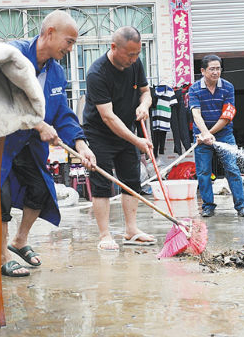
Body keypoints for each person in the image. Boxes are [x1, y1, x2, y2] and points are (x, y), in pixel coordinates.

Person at [0, 10, 96, 276]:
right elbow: (6, 98)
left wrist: (80, 143)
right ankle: (1, 255)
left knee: (41, 189)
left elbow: (62, 113)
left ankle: (19, 241)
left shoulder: (56, 73)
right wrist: (39, 124)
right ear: (50, 33)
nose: (71, 48)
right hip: (1, 142)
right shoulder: (14, 55)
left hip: (28, 145)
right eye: (69, 41)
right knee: (1, 195)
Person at [82, 26, 156, 251]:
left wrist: (144, 105)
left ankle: (131, 230)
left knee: (131, 181)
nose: (134, 59)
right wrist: (137, 141)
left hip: (126, 130)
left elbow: (145, 91)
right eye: (130, 54)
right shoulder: (97, 73)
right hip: (100, 133)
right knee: (102, 184)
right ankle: (105, 235)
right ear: (113, 47)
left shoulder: (135, 64)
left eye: (137, 54)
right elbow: (108, 117)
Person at [188, 54, 244, 217]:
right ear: (203, 70)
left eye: (218, 69)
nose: (215, 72)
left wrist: (209, 134)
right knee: (203, 172)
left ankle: (241, 206)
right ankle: (208, 206)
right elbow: (196, 114)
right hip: (201, 135)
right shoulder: (194, 89)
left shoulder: (228, 87)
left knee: (232, 169)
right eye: (212, 69)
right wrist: (204, 134)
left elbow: (227, 116)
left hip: (224, 135)